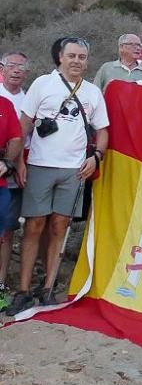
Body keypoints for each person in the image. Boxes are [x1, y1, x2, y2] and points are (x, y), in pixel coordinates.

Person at [7, 38, 110, 315]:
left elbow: (102, 131)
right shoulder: (42, 83)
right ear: (61, 58)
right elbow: (24, 125)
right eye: (72, 56)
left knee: (59, 226)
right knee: (34, 226)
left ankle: (48, 287)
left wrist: (96, 156)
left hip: (74, 169)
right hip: (40, 164)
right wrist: (19, 161)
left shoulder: (91, 92)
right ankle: (23, 289)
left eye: (82, 57)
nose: (77, 61)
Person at [0, 52, 29, 297]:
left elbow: (19, 137)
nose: (16, 70)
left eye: (21, 67)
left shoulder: (27, 100)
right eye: (12, 65)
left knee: (7, 228)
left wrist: (16, 164)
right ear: (2, 68)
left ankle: (1, 282)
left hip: (13, 171)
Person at [0, 94, 24, 309]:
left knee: (2, 235)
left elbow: (16, 136)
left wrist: (7, 161)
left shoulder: (5, 104)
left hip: (0, 186)